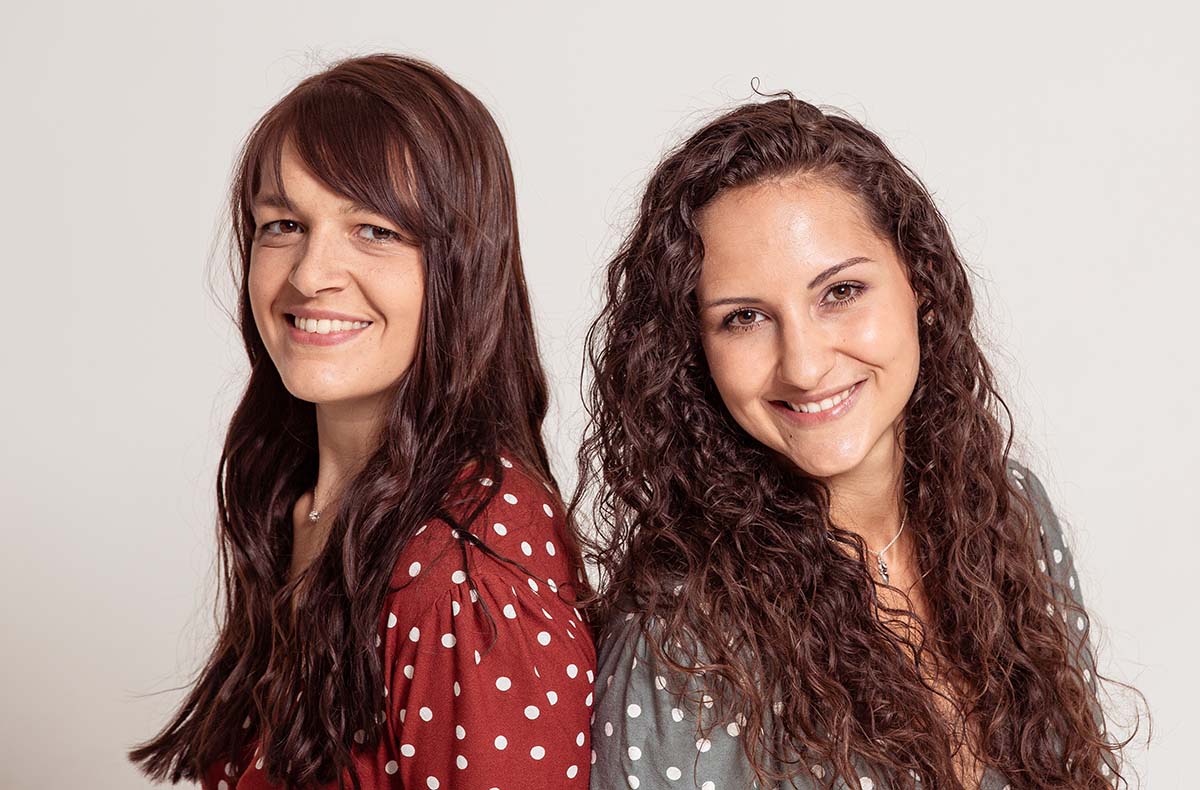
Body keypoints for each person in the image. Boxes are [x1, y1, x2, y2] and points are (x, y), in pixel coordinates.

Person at [577, 96, 1136, 789]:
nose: (805, 365)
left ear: (919, 282)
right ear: (695, 351)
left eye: (840, 292)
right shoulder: (682, 642)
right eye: (744, 317)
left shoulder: (1012, 515)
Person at [130, 54, 595, 789]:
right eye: (284, 225)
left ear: (464, 266)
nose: (309, 273)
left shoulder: (461, 570)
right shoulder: (301, 503)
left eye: (375, 230)